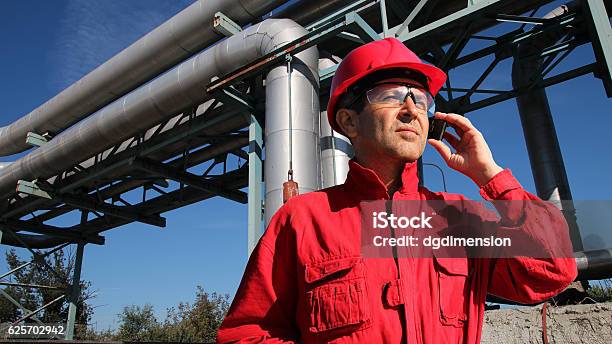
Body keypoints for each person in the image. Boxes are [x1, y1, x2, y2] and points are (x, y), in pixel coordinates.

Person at [217, 38, 577, 343]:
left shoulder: (463, 220)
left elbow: (553, 269)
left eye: (420, 100)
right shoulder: (301, 221)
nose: (411, 110)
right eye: (391, 95)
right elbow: (247, 334)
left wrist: (491, 176)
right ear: (349, 121)